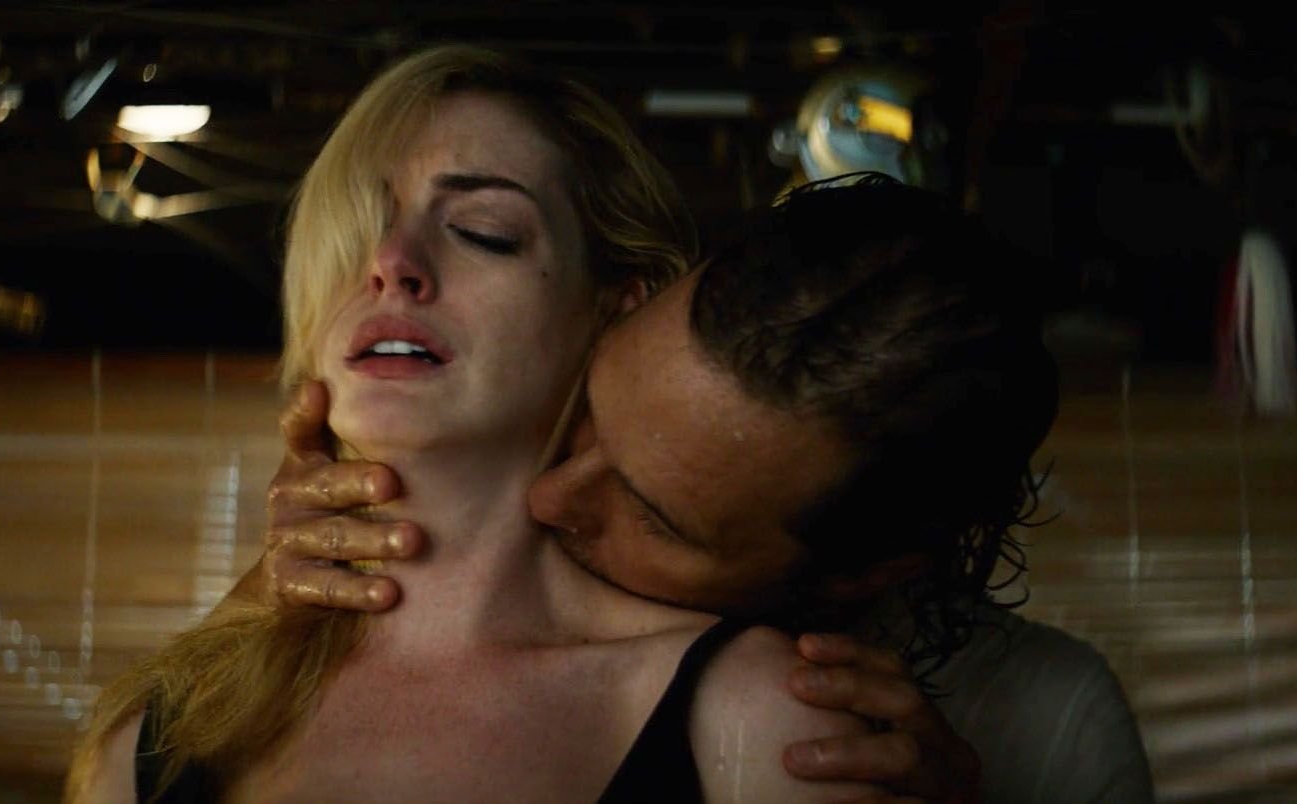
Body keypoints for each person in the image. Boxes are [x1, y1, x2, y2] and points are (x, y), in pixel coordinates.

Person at [68, 45, 886, 803]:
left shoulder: (759, 721)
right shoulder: (151, 741)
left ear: (613, 309)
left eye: (483, 232)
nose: (391, 261)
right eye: (358, 223)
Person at [248, 174, 1158, 803]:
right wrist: (273, 594)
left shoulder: (1055, 726)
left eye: (652, 517)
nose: (551, 497)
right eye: (593, 409)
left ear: (863, 572)